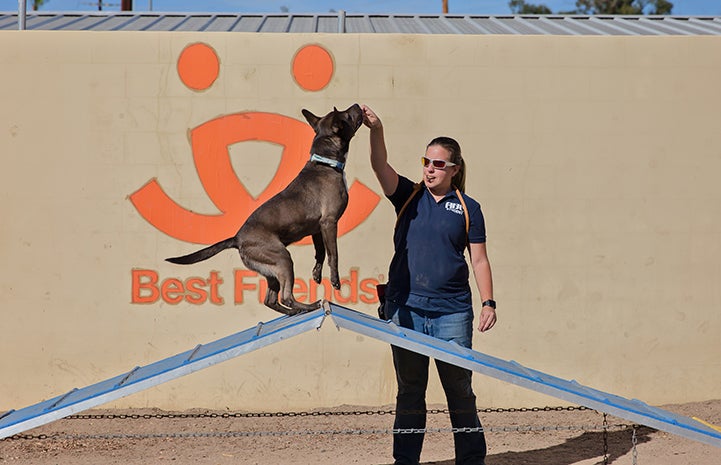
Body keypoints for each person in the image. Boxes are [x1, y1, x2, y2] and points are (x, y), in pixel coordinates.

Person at [362, 104, 497, 465]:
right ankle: (405, 460)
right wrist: (377, 128)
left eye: (439, 164)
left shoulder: (468, 208)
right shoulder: (407, 195)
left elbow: (479, 259)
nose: (430, 169)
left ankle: (471, 460)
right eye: (427, 161)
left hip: (451, 314)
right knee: (409, 392)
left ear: (454, 169)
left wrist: (489, 303)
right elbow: (379, 166)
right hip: (404, 309)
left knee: (459, 392)